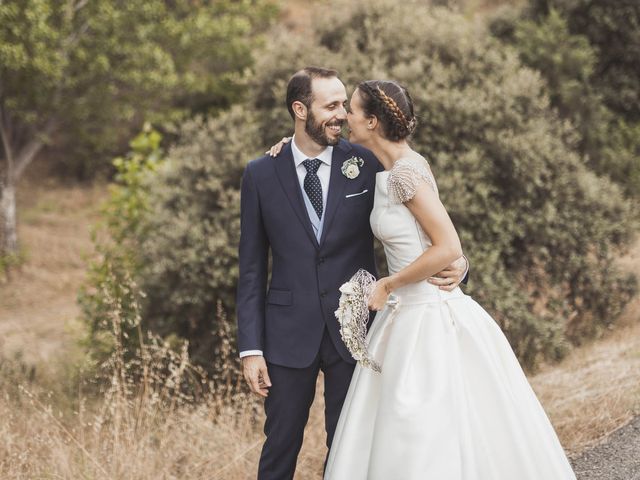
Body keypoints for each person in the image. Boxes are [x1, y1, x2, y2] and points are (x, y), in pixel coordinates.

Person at [318, 80, 577, 479]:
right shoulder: (392, 168)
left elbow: (447, 246)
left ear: (371, 121)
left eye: (351, 110)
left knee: (425, 423)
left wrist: (388, 284)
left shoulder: (405, 172)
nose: (345, 117)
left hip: (427, 314)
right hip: (404, 315)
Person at [236, 67, 467, 480]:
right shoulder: (261, 173)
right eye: (331, 106)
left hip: (360, 331)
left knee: (350, 444)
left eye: (345, 104)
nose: (341, 114)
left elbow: (424, 223)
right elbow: (251, 267)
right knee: (279, 446)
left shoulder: (367, 160)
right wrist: (250, 348)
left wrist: (459, 264)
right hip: (287, 333)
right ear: (299, 109)